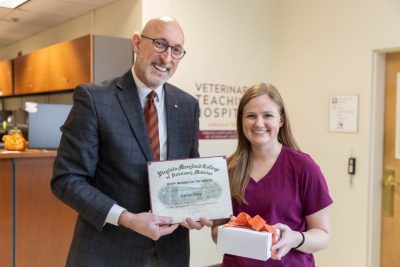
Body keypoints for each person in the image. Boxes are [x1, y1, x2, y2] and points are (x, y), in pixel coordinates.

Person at [51, 16, 212, 267]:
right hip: (107, 252)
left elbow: (188, 173)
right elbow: (67, 180)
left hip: (170, 253)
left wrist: (194, 209)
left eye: (176, 50)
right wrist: (125, 218)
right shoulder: (94, 100)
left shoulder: (187, 106)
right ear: (137, 43)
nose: (167, 58)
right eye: (159, 44)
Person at [211, 82, 333, 267]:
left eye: (268, 115)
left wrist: (295, 238)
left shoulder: (304, 167)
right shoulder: (227, 168)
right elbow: (216, 232)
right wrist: (230, 231)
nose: (259, 123)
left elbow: (322, 235)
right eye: (251, 116)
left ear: (281, 120)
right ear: (241, 120)